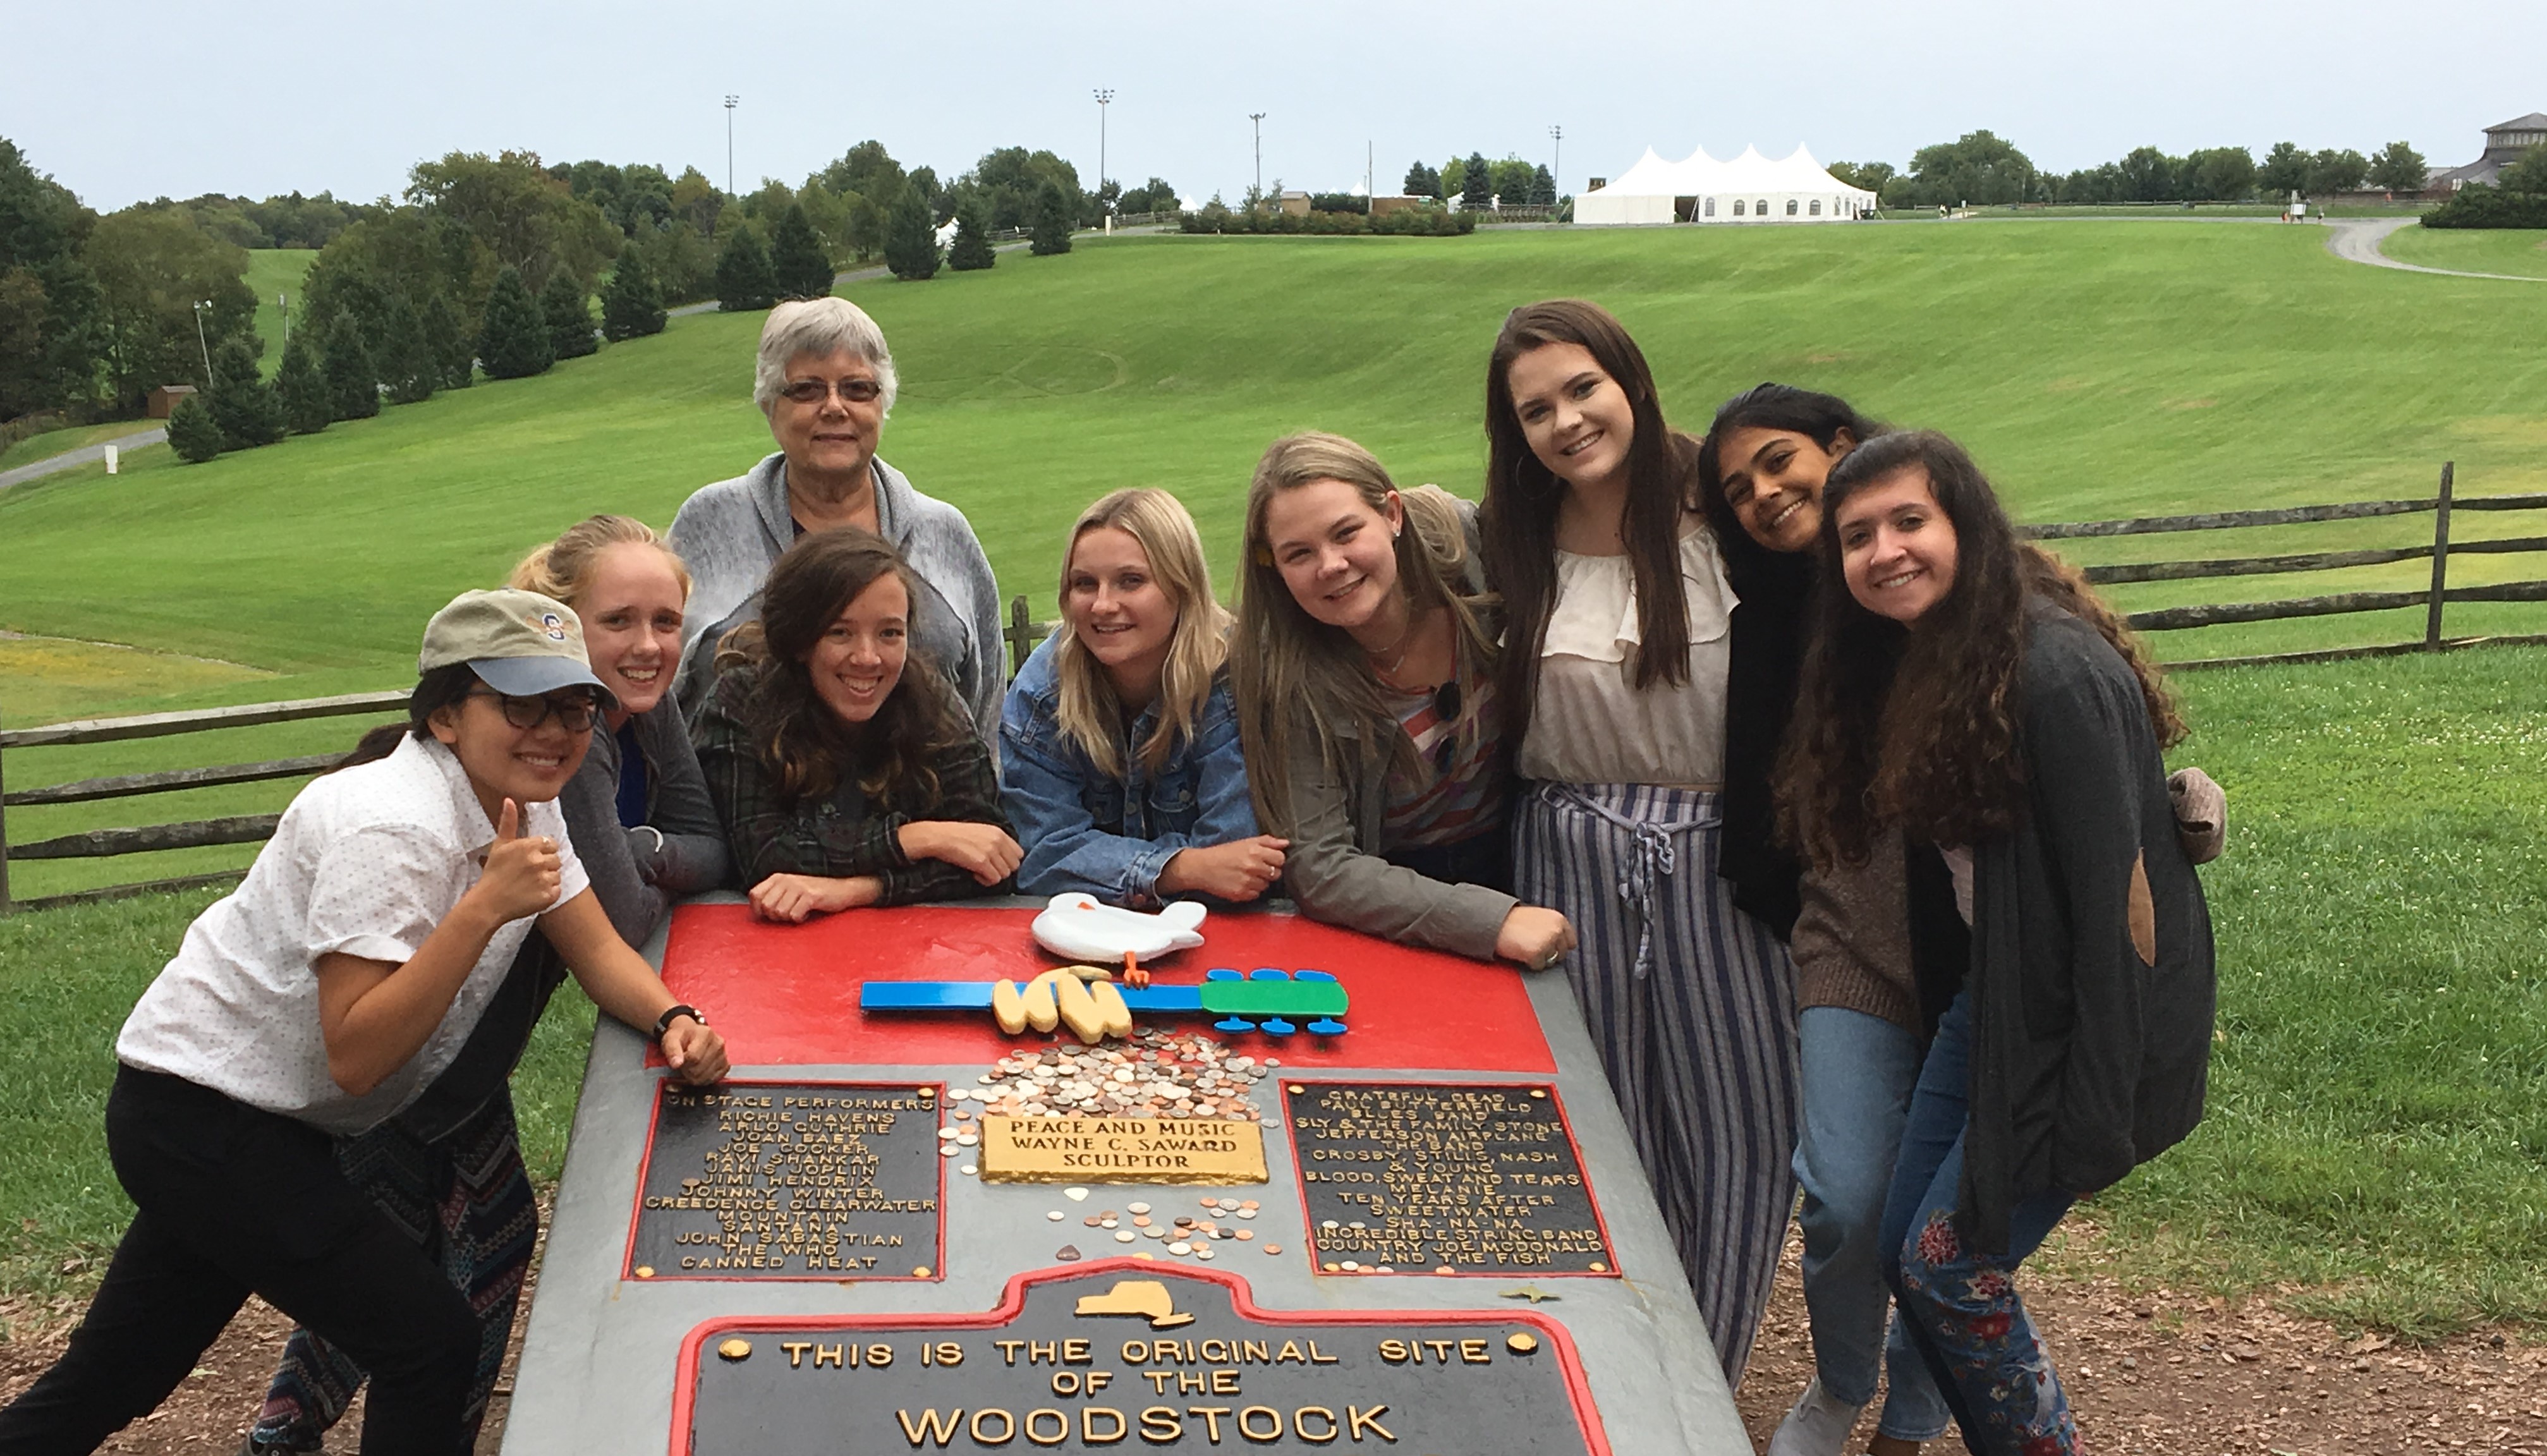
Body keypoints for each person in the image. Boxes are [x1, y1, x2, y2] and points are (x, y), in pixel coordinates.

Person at [0, 590, 727, 1456]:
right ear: (446, 716)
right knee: (429, 1341)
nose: (555, 730)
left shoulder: (525, 803)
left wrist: (672, 1017)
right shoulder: (387, 825)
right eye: (522, 704)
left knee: (114, 1376)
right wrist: (482, 909)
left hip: (259, 1123)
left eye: (575, 708)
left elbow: (597, 948)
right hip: (199, 1120)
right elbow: (358, 1052)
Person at [243, 520, 733, 1451]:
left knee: (429, 1258)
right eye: (618, 621)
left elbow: (709, 846)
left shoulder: (629, 710)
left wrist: (642, 853)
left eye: (667, 620)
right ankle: (304, 1428)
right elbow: (624, 915)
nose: (648, 645)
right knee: (442, 1270)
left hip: (468, 1055)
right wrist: (653, 866)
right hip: (411, 1055)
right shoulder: (556, 749)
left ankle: (290, 1426)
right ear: (561, 629)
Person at [1778, 430, 2216, 1455]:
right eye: (1857, 535)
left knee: (1949, 1268)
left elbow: (2122, 913)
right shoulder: (1930, 660)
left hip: (2081, 1026)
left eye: (1908, 520)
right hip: (1994, 1002)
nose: (1884, 550)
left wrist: (2096, 1114)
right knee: (1908, 1252)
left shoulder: (2054, 672)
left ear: (1966, 524)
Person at [1478, 300, 1794, 1383]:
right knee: (1602, 1129)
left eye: (1583, 389)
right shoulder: (1507, 537)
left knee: (1742, 1120)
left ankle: (1698, 1381)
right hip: (1565, 858)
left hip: (1718, 855)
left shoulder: (1728, 513)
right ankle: (1615, 1378)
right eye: (1536, 410)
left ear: (1633, 383)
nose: (1566, 422)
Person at [1230, 431, 1573, 968]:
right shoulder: (1289, 678)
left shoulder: (1469, 554)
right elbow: (1321, 867)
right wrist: (1490, 920)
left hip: (1529, 847)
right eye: (1299, 553)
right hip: (1395, 897)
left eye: (1346, 533)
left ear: (1392, 513)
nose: (1331, 565)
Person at [667, 297, 1004, 744]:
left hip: (927, 789)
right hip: (734, 788)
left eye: (857, 389)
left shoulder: (944, 533)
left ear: (883, 403)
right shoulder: (709, 523)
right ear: (769, 405)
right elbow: (661, 696)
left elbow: (985, 709)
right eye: (807, 389)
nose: (834, 407)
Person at [693, 527, 1020, 919]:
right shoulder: (741, 701)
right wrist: (919, 837)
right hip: (768, 943)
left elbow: (995, 860)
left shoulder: (930, 701)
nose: (867, 657)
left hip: (907, 944)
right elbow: (765, 857)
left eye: (889, 633)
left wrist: (856, 890)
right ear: (799, 640)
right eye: (840, 632)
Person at [1002, 487, 1286, 907]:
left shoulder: (1233, 680)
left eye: (1130, 581)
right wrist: (1180, 868)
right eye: (1084, 584)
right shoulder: (1045, 691)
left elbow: (1239, 862)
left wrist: (1102, 867)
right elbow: (1040, 856)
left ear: (1182, 586)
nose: (1102, 605)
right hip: (1086, 931)